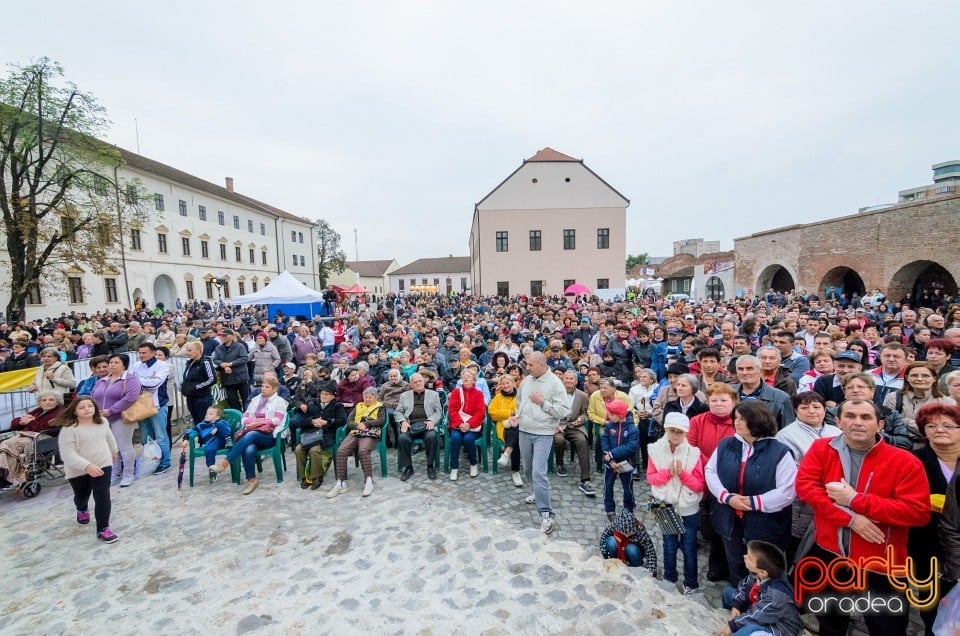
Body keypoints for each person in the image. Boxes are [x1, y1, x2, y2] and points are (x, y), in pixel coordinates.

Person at [795, 399, 931, 636]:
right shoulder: (821, 449)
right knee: (830, 623)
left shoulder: (905, 461)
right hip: (830, 553)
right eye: (849, 416)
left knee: (887, 628)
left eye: (865, 417)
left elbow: (917, 512)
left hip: (881, 561)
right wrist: (851, 519)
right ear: (837, 421)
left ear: (880, 424)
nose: (857, 422)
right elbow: (807, 488)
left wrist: (855, 500)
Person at [706, 401, 797, 585]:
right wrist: (726, 497)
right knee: (736, 561)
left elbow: (787, 490)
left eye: (743, 418)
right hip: (731, 517)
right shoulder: (726, 445)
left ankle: (766, 605)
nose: (737, 422)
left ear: (759, 421)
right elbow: (711, 471)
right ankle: (739, 598)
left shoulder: (779, 451)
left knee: (766, 567)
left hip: (766, 523)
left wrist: (753, 502)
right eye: (736, 418)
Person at [911, 403, 960, 634]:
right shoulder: (913, 461)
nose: (940, 429)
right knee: (933, 603)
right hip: (927, 545)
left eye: (948, 425)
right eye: (932, 425)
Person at [646, 412, 704, 594]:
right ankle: (670, 579)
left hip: (688, 507)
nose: (676, 435)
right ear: (666, 430)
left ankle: (691, 583)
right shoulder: (655, 450)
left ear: (686, 433)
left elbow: (699, 485)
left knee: (688, 547)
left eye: (680, 432)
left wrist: (683, 474)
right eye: (672, 431)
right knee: (669, 544)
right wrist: (669, 473)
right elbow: (651, 478)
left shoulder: (694, 454)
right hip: (666, 505)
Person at [687, 382, 739, 583]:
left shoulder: (738, 422)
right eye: (713, 400)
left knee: (725, 528)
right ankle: (715, 565)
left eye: (724, 400)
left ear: (733, 402)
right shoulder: (698, 420)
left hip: (728, 481)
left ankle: (726, 567)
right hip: (701, 477)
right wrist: (710, 464)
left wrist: (717, 466)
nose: (718, 404)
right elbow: (689, 447)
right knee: (708, 525)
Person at [515, 351, 570, 534]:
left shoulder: (555, 383)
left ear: (541, 364)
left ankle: (546, 514)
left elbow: (563, 410)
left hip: (543, 433)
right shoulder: (527, 380)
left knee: (539, 472)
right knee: (528, 469)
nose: (527, 367)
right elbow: (519, 401)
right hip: (524, 430)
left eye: (530, 365)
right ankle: (536, 492)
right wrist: (517, 416)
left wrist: (543, 403)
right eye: (527, 364)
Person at [56, 396, 119, 543]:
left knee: (102, 495)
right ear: (75, 411)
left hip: (102, 463)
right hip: (78, 469)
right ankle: (82, 508)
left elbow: (109, 438)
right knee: (81, 495)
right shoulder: (69, 429)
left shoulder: (102, 422)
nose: (87, 409)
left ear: (95, 408)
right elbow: (67, 454)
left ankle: (103, 529)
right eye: (82, 407)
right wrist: (87, 466)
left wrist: (114, 451)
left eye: (90, 406)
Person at [210, 377, 288, 495]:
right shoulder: (255, 400)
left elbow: (277, 420)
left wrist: (258, 422)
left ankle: (225, 463)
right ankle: (252, 480)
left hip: (269, 436)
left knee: (251, 435)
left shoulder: (280, 401)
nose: (263, 389)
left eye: (267, 387)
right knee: (248, 448)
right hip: (253, 433)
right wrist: (251, 422)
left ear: (275, 389)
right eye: (262, 386)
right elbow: (244, 418)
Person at [719, 540, 802, 636]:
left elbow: (757, 616)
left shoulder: (776, 596)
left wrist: (732, 626)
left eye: (749, 558)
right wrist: (737, 605)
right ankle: (732, 618)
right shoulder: (757, 573)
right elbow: (745, 587)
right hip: (759, 607)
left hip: (777, 627)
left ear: (763, 572)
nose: (744, 556)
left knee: (748, 630)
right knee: (727, 592)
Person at [90, 354, 142, 488]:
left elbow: (130, 397)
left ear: (124, 365)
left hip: (120, 417)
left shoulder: (130, 379)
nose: (112, 365)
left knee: (124, 446)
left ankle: (128, 474)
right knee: (110, 448)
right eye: (111, 362)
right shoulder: (102, 380)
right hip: (102, 419)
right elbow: (93, 396)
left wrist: (111, 410)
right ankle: (114, 472)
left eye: (116, 363)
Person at [0, 391, 65, 489]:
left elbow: (46, 427)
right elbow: (14, 423)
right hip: (27, 436)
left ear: (57, 402)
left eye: (51, 400)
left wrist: (31, 422)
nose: (47, 402)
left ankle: (7, 478)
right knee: (5, 447)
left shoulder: (61, 412)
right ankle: (5, 476)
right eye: (44, 400)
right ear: (40, 402)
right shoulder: (38, 410)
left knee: (6, 446)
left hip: (44, 438)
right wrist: (21, 422)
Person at [328, 387, 385, 498]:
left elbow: (381, 421)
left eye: (370, 397)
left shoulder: (380, 407)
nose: (367, 399)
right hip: (356, 431)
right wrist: (357, 425)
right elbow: (349, 421)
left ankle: (368, 480)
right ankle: (340, 482)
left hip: (370, 432)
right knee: (341, 451)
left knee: (363, 451)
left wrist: (367, 424)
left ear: (375, 398)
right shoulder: (358, 406)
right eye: (366, 397)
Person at [884, 361, 956, 447]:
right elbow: (888, 425)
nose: (919, 379)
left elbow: (940, 431)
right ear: (907, 378)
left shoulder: (947, 403)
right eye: (914, 375)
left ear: (934, 378)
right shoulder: (893, 398)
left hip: (932, 449)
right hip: (899, 447)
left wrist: (906, 422)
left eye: (925, 376)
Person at [293, 380, 345, 490]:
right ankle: (304, 477)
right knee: (298, 449)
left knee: (314, 450)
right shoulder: (313, 404)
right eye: (322, 394)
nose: (324, 396)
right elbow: (302, 421)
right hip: (310, 433)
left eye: (327, 394)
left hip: (326, 434)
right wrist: (312, 421)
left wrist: (327, 422)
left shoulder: (337, 405)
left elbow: (341, 421)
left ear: (333, 396)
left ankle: (317, 476)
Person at [553, 369, 596, 496]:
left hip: (574, 426)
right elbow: (548, 411)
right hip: (558, 425)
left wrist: (580, 419)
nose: (569, 381)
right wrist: (554, 425)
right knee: (559, 440)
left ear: (576, 381)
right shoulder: (554, 394)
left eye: (572, 379)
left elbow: (585, 414)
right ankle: (560, 464)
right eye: (566, 378)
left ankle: (585, 479)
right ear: (562, 380)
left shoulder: (582, 395)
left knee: (582, 441)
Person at [130, 343, 171, 473]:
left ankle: (165, 462)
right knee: (145, 437)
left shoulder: (162, 365)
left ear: (153, 353)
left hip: (157, 405)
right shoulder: (136, 365)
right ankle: (151, 461)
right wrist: (143, 380)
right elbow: (130, 382)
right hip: (141, 406)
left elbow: (155, 384)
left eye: (144, 353)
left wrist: (138, 380)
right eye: (140, 353)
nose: (141, 355)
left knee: (160, 436)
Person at [395, 373, 443, 481]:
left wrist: (432, 420)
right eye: (415, 382)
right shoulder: (404, 395)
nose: (418, 383)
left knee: (431, 437)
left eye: (420, 381)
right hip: (410, 424)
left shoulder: (433, 394)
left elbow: (438, 412)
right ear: (411, 384)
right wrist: (403, 421)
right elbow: (398, 412)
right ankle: (408, 467)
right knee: (402, 439)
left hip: (427, 424)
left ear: (424, 381)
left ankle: (430, 465)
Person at [730, 355, 795, 430]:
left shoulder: (780, 398)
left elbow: (788, 430)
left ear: (760, 371)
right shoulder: (727, 392)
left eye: (749, 369)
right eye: (740, 369)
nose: (744, 372)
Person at [600, 399, 639, 522]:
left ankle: (629, 507)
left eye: (612, 414)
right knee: (608, 485)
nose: (609, 416)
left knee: (628, 486)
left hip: (626, 463)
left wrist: (612, 454)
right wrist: (610, 459)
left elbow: (630, 447)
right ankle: (610, 508)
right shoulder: (609, 426)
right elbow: (605, 441)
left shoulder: (633, 429)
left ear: (620, 415)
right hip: (610, 463)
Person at [446, 369, 485, 481]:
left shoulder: (478, 394)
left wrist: (469, 424)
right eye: (464, 376)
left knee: (468, 439)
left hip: (472, 426)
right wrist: (460, 423)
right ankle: (454, 467)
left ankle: (473, 464)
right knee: (455, 438)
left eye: (468, 376)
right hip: (457, 425)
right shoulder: (456, 392)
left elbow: (480, 412)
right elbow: (452, 410)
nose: (466, 378)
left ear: (474, 380)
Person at [182, 405, 232, 483]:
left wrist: (217, 427)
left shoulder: (220, 422)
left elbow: (228, 428)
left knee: (221, 424)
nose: (207, 415)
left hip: (223, 441)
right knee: (208, 449)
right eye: (206, 413)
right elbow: (192, 431)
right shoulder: (202, 425)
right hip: (211, 442)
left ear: (217, 417)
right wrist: (185, 439)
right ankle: (212, 470)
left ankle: (228, 440)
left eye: (210, 414)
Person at [598, 508, 658, 573]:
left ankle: (637, 568)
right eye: (625, 533)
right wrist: (604, 554)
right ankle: (614, 561)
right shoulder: (615, 524)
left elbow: (650, 551)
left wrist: (651, 571)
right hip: (618, 549)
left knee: (631, 549)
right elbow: (604, 537)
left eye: (630, 533)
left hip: (633, 552)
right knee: (611, 542)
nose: (627, 535)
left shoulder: (640, 529)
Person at [490, 374, 524, 486]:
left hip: (521, 425)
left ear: (513, 383)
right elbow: (492, 413)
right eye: (503, 383)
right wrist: (510, 413)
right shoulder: (498, 397)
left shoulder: (520, 395)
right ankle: (516, 472)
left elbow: (524, 410)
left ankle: (507, 452)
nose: (505, 385)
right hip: (503, 427)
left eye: (507, 383)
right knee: (515, 436)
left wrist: (515, 415)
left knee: (515, 431)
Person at [211, 329, 250, 412]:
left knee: (246, 399)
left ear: (232, 336)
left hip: (241, 377)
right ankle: (238, 415)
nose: (223, 337)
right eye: (222, 335)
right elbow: (215, 359)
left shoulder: (239, 346)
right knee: (232, 400)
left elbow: (244, 358)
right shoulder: (218, 348)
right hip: (227, 378)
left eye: (226, 335)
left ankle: (247, 416)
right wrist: (222, 365)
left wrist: (230, 364)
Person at [181, 341, 217, 425]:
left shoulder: (205, 362)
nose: (187, 353)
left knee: (204, 422)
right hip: (191, 397)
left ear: (198, 350)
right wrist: (184, 386)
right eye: (187, 350)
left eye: (190, 350)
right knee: (196, 421)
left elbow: (212, 379)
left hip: (202, 398)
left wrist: (196, 387)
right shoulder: (190, 363)